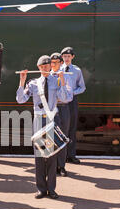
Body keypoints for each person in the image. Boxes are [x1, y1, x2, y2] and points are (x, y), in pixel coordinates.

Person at [17, 55, 71, 199]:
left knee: (52, 155)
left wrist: (63, 80)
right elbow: (20, 99)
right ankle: (41, 188)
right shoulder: (33, 83)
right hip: (38, 120)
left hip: (52, 119)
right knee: (39, 155)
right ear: (39, 67)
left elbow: (65, 98)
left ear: (51, 67)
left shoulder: (56, 80)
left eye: (48, 65)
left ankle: (51, 189)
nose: (46, 68)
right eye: (43, 66)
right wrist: (22, 81)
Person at [60, 47, 86, 164]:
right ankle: (61, 156)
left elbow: (82, 87)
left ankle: (71, 155)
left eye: (68, 56)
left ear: (72, 57)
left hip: (72, 102)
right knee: (60, 128)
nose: (66, 58)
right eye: (64, 56)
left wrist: (72, 93)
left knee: (71, 129)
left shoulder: (77, 70)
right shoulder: (58, 69)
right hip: (60, 102)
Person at [50, 52, 72, 176]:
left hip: (63, 108)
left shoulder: (67, 76)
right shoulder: (48, 76)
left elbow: (68, 96)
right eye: (52, 62)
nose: (54, 65)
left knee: (63, 138)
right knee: (51, 138)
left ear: (61, 63)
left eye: (57, 62)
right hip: (52, 109)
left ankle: (61, 166)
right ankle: (52, 166)